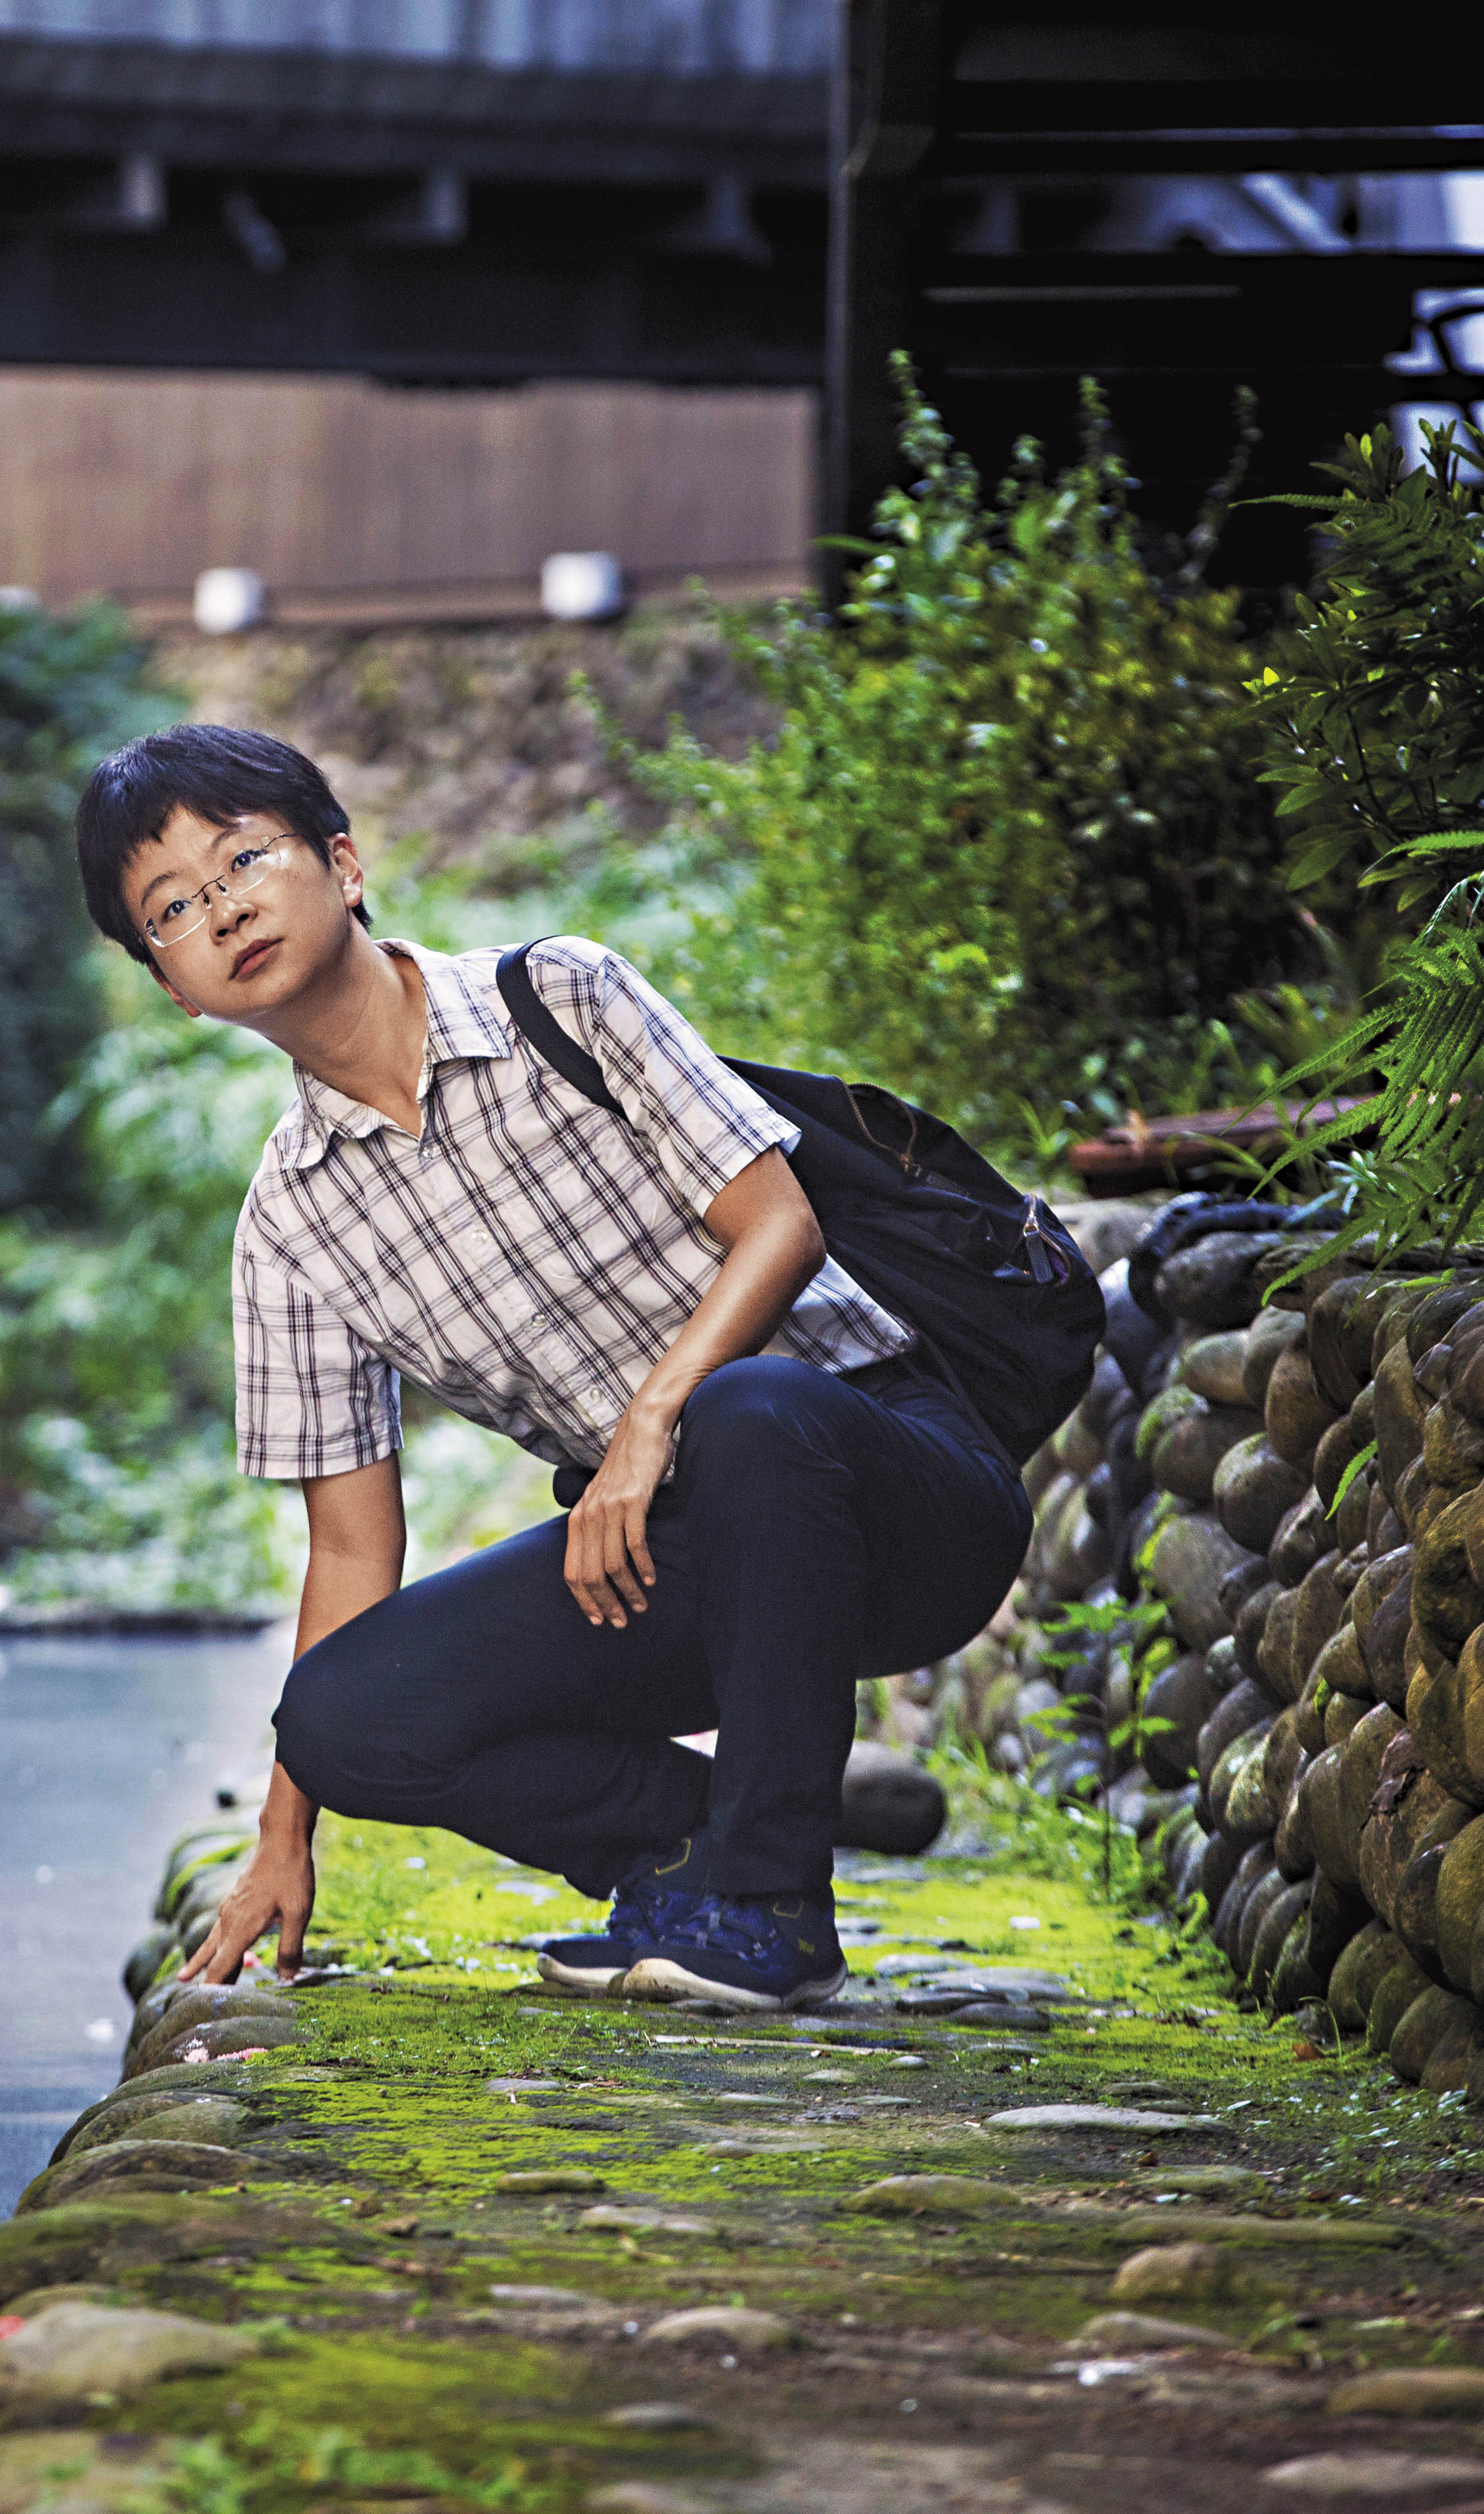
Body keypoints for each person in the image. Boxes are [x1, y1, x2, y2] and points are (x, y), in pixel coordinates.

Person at [73, 723, 1026, 2011]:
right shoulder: (290, 1227)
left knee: (749, 1410)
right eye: (174, 907)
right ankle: (687, 1851)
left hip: (891, 1487)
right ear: (177, 989)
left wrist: (648, 1423)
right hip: (671, 1557)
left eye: (244, 858)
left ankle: (771, 1910)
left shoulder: (563, 999)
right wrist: (284, 1836)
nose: (224, 907)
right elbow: (351, 1551)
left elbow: (780, 1226)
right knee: (343, 1718)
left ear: (343, 865)